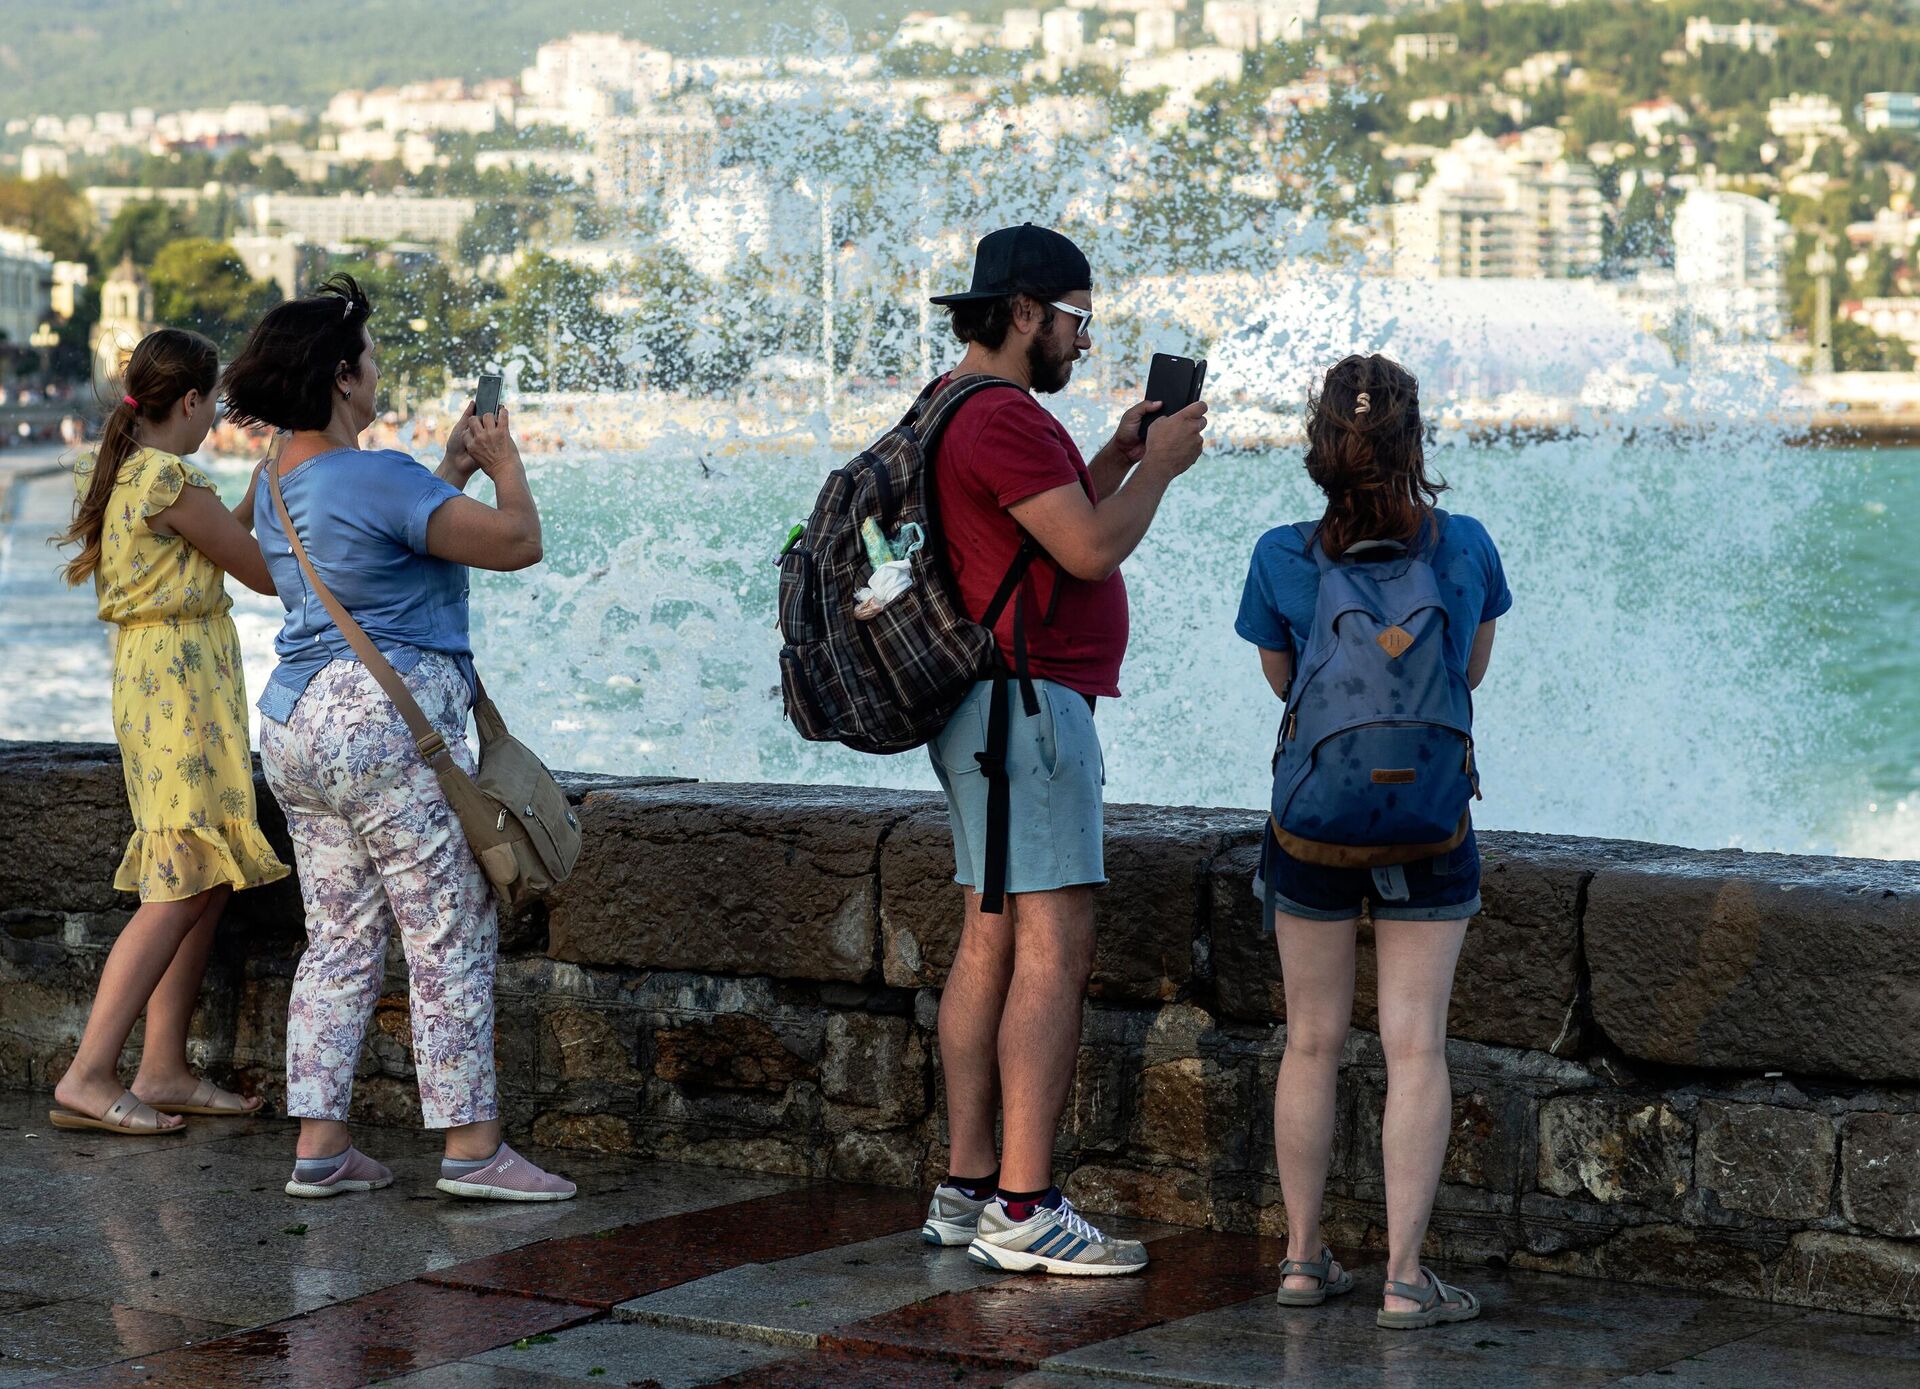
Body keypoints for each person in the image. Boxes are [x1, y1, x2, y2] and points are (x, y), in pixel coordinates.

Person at [221, 275, 574, 1201]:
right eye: (371, 360)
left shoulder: (272, 483)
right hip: (384, 727)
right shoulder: (376, 473)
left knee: (337, 935)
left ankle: (322, 1145)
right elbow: (514, 541)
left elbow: (381, 554)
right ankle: (473, 1148)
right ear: (342, 378)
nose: (379, 374)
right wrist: (501, 460)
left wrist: (445, 466)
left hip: (296, 725)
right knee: (446, 927)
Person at [916, 224, 1207, 1275]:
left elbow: (1037, 527)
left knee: (988, 941)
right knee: (1053, 948)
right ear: (1029, 313)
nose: (1085, 342)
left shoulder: (953, 407)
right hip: (1028, 716)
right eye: (1079, 318)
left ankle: (966, 1186)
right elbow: (1087, 544)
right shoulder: (1006, 419)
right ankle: (1026, 1205)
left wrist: (1115, 457)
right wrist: (1161, 471)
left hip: (986, 712)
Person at [1235, 354, 1510, 1329]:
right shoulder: (1466, 546)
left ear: (1319, 444)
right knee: (1414, 1046)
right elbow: (1467, 671)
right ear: (1415, 440)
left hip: (1311, 826)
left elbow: (1283, 687)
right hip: (1432, 826)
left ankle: (1304, 1262)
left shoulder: (1279, 554)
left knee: (1311, 1040)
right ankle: (1404, 1279)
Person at [50, 328, 289, 1136]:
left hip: (165, 675)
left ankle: (161, 1068)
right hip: (180, 685)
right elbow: (258, 570)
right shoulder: (166, 476)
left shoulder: (122, 470)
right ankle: (88, 1072)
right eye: (213, 402)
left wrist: (257, 488)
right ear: (188, 401)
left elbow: (214, 540)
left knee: (206, 870)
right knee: (181, 877)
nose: (216, 416)